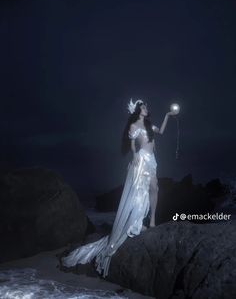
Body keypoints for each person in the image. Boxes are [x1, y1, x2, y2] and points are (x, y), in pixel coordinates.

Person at [60, 98, 175, 278]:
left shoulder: (149, 125)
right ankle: (138, 221)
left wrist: (168, 115)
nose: (146, 109)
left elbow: (161, 131)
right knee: (140, 191)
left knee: (155, 188)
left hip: (152, 161)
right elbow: (131, 144)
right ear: (137, 110)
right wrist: (135, 154)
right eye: (143, 107)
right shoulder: (133, 126)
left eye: (146, 107)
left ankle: (152, 220)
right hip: (142, 160)